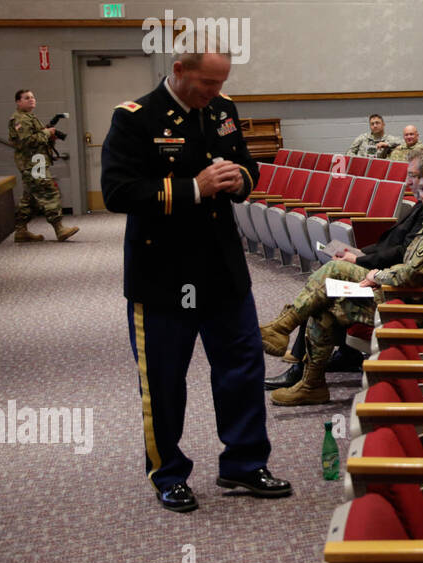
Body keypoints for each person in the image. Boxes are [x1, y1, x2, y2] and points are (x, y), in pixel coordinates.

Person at [101, 45, 291, 513]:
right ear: (179, 70)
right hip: (163, 272)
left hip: (222, 267)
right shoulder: (135, 118)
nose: (215, 92)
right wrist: (194, 188)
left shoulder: (223, 110)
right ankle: (168, 474)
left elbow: (249, 164)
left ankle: (244, 464)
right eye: (207, 83)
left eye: (222, 82)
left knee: (243, 368)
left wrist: (239, 179)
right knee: (164, 381)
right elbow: (117, 191)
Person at [259, 152, 423, 405]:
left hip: (407, 305)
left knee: (332, 280)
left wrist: (376, 275)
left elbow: (411, 274)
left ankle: (293, 350)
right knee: (327, 296)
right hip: (400, 292)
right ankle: (308, 378)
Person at [8, 89, 79, 242]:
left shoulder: (28, 117)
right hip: (33, 164)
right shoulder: (20, 120)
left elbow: (35, 139)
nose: (31, 100)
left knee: (30, 198)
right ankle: (59, 229)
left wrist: (48, 136)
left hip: (36, 162)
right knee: (49, 192)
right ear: (18, 102)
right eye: (27, 98)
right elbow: (27, 142)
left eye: (33, 97)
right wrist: (46, 133)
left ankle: (21, 231)